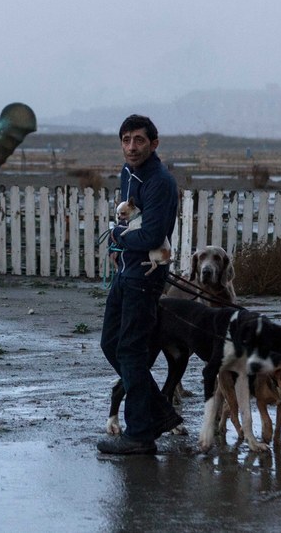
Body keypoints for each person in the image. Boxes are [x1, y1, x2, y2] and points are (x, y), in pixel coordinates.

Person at [97, 114, 183, 455]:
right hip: (125, 271)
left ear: (154, 144)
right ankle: (159, 412)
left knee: (131, 351)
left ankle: (140, 434)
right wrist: (118, 246)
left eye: (139, 140)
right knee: (110, 343)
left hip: (146, 277)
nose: (131, 147)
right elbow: (127, 218)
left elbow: (151, 235)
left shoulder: (160, 182)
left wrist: (117, 236)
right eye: (126, 140)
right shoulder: (128, 174)